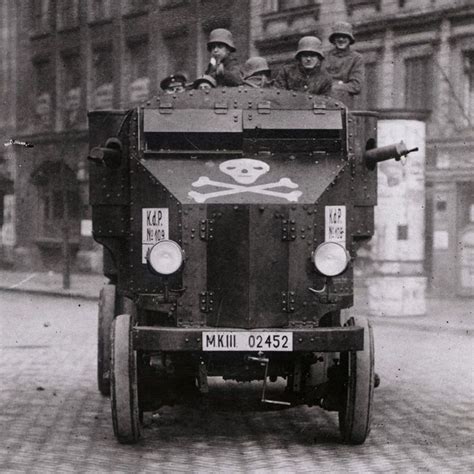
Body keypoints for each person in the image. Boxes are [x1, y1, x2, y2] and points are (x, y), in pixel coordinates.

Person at [324, 21, 364, 107]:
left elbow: (356, 86)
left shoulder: (356, 58)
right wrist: (339, 83)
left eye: (345, 36)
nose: (341, 39)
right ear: (333, 39)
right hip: (323, 102)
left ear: (350, 39)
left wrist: (334, 86)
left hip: (344, 105)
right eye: (338, 36)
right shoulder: (324, 56)